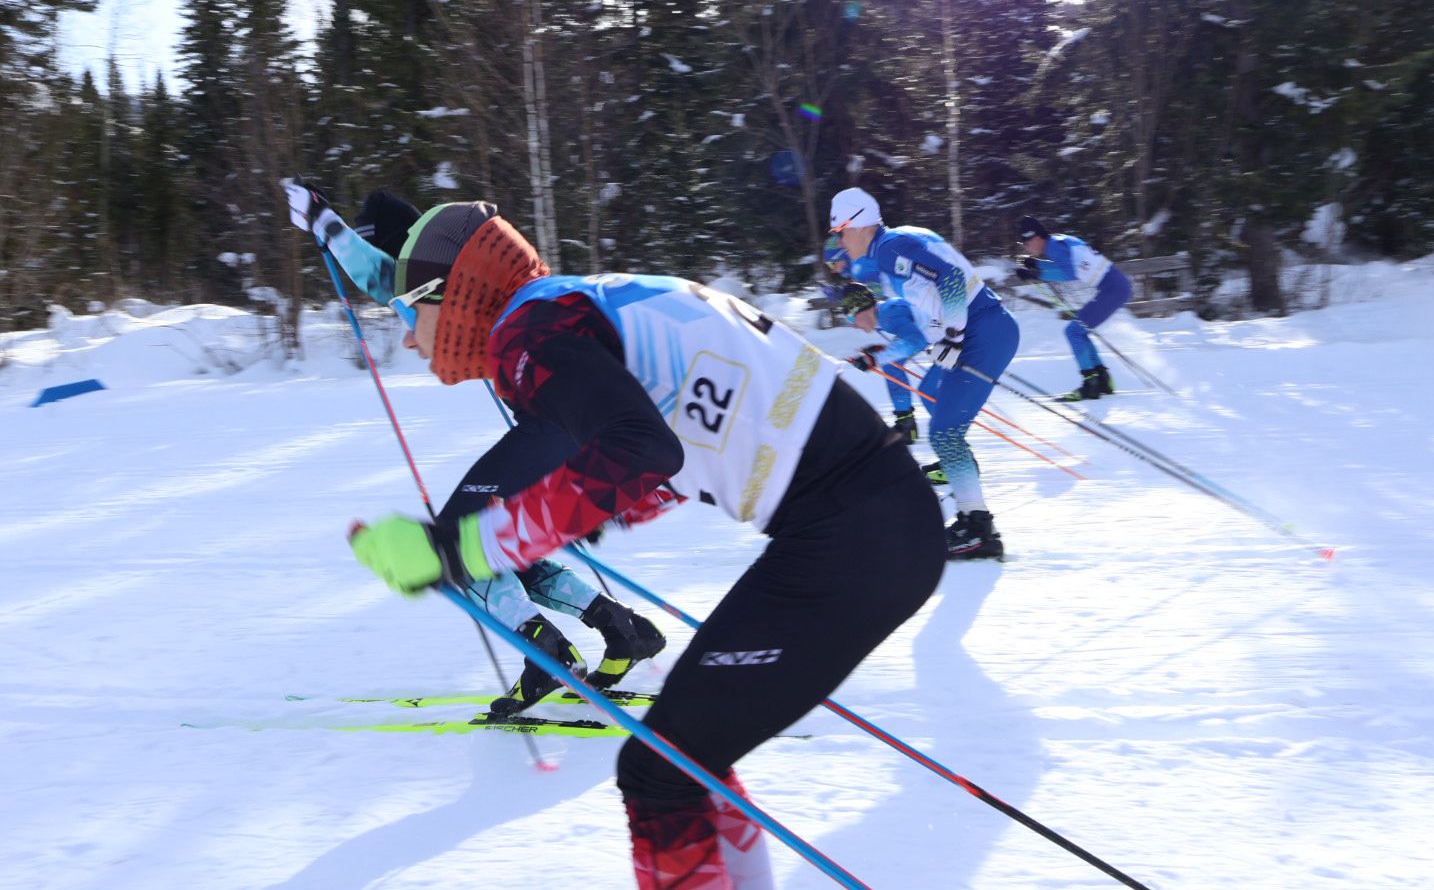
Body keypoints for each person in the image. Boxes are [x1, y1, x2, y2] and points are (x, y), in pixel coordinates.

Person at [344, 199, 945, 888]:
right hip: (866, 521)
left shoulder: (528, 333)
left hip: (853, 531)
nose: (410, 342)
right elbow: (677, 436)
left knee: (662, 772)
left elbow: (640, 450)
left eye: (406, 313)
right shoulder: (567, 308)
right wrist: (598, 511)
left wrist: (459, 551)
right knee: (687, 765)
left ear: (458, 295)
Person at [286, 182, 667, 715]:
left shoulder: (424, 279)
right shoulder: (458, 276)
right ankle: (621, 629)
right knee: (498, 541)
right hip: (573, 419)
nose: (403, 321)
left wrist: (326, 225)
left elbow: (375, 275)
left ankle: (545, 653)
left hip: (559, 421)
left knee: (454, 545)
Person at [830, 186, 1018, 561]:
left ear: (855, 224)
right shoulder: (891, 253)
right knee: (933, 389)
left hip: (984, 331)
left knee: (944, 431)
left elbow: (949, 278)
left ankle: (978, 527)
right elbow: (918, 331)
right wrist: (879, 356)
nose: (839, 241)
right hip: (981, 329)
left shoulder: (890, 247)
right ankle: (960, 470)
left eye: (839, 232)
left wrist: (952, 335)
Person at [1013, 215, 1133, 401]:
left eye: (1026, 243)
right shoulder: (1058, 241)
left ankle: (1090, 384)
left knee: (1073, 332)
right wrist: (1036, 264)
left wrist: (1035, 273)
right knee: (1079, 331)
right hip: (1116, 287)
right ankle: (1102, 378)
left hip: (1113, 290)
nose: (1026, 247)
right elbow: (1068, 265)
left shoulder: (1053, 247)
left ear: (1036, 237)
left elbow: (1069, 273)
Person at [824, 235, 918, 444]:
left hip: (908, 317)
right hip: (899, 319)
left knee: (892, 363)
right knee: (891, 363)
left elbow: (875, 299)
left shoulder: (862, 266)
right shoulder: (855, 268)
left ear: (841, 254)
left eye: (832, 262)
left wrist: (842, 297)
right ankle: (906, 422)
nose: (832, 269)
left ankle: (907, 424)